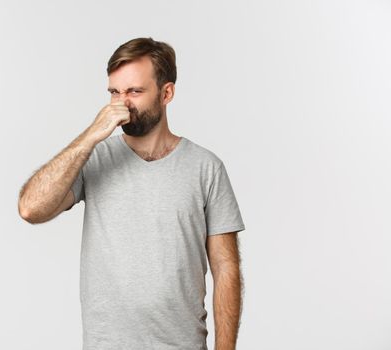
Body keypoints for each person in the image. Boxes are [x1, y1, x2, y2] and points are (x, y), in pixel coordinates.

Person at [18, 37, 246, 350]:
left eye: (135, 91)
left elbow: (226, 269)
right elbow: (31, 208)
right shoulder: (94, 158)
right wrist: (91, 136)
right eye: (114, 92)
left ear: (166, 93)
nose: (122, 103)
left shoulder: (206, 168)